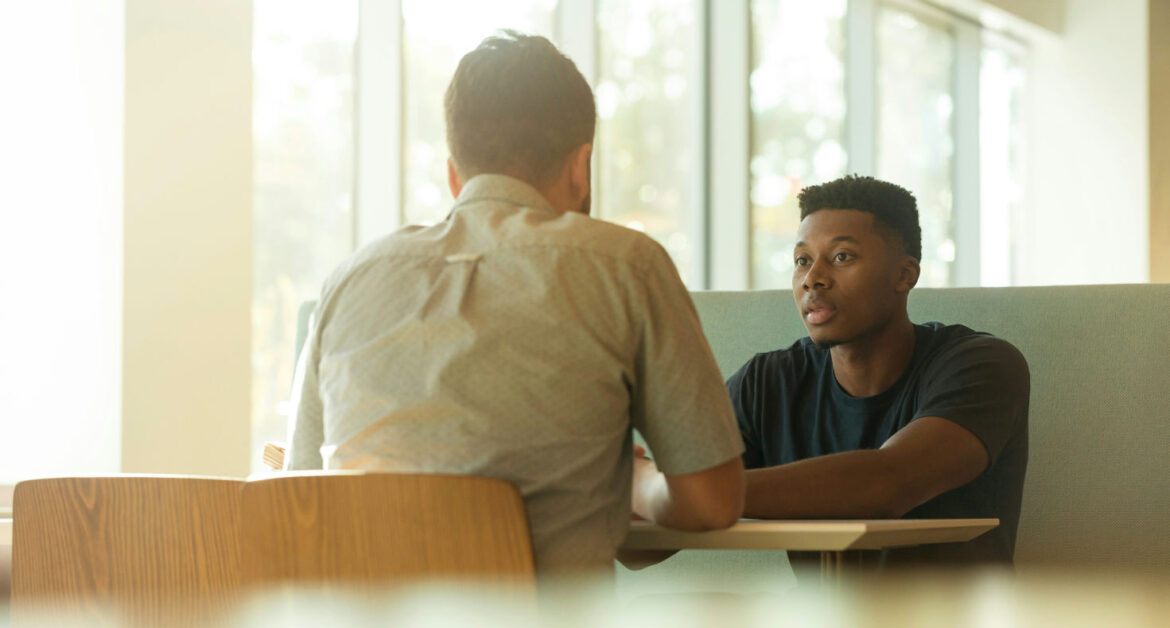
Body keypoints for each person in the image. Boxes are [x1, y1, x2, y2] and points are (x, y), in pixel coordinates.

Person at [284, 31, 744, 576]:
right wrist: (637, 483)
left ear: (455, 174)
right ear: (582, 166)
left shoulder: (348, 281)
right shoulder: (627, 265)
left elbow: (298, 497)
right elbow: (712, 502)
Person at [726, 175, 1029, 567]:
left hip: (956, 626)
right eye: (802, 260)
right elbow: (642, 547)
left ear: (905, 275)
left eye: (841, 257)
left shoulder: (983, 366)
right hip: (821, 626)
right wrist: (642, 489)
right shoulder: (767, 383)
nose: (811, 278)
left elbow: (886, 484)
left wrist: (691, 494)